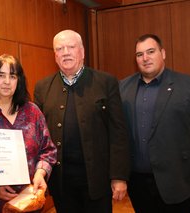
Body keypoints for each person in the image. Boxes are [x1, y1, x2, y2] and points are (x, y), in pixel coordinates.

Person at [34, 29, 130, 213]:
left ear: (82, 52)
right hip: (62, 182)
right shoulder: (42, 87)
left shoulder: (106, 82)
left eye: (71, 47)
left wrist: (119, 176)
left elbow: (118, 133)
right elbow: (39, 136)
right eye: (60, 49)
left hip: (97, 180)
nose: (66, 52)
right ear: (55, 55)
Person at [0, 54, 57, 213]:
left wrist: (40, 174)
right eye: (1, 75)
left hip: (30, 201)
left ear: (19, 81)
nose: (7, 82)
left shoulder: (33, 112)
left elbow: (48, 151)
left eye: (13, 76)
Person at [119, 34, 190, 212]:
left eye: (150, 51)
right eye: (139, 54)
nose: (145, 58)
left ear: (162, 53)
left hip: (180, 183)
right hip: (138, 184)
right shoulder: (122, 88)